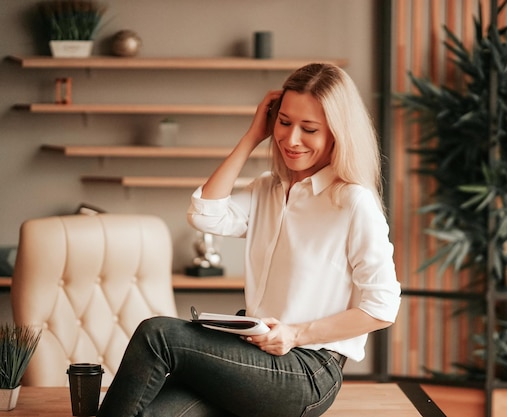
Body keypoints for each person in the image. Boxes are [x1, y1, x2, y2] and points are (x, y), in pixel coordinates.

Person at [96, 63, 401, 417]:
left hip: (307, 371)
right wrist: (252, 137)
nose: (291, 139)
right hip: (251, 359)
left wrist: (295, 334)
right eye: (284, 122)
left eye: (310, 129)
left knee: (157, 335)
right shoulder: (268, 188)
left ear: (337, 132)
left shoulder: (352, 201)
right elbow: (204, 214)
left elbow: (381, 308)